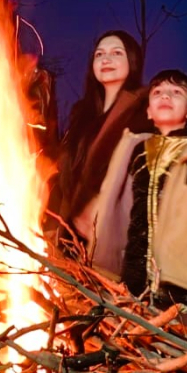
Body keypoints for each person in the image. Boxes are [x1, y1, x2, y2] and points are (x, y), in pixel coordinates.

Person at [74, 69, 187, 332]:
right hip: (131, 282)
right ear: (149, 112)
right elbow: (114, 198)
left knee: (184, 356)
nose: (165, 95)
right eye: (157, 93)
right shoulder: (132, 151)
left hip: (182, 285)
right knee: (133, 359)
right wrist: (96, 215)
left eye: (176, 92)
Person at [52, 30, 149, 239]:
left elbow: (142, 170)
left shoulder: (144, 111)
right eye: (99, 54)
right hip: (71, 232)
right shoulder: (82, 114)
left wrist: (102, 202)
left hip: (111, 233)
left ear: (132, 60)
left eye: (116, 53)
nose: (106, 59)